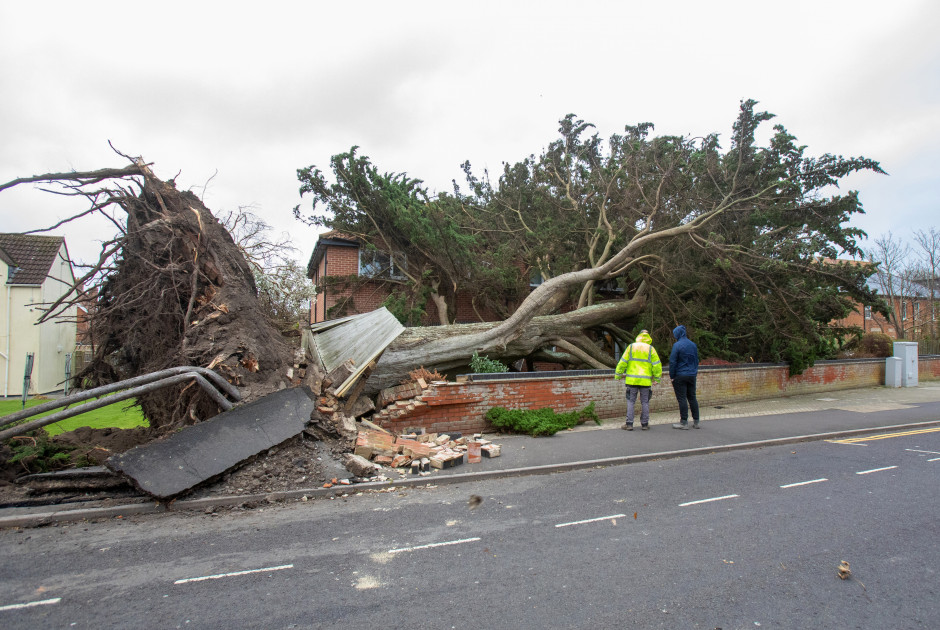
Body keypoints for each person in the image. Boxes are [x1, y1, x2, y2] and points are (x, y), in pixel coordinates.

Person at [614, 330, 662, 430]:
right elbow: (657, 365)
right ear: (648, 337)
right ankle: (644, 424)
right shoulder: (650, 349)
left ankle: (629, 424)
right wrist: (657, 378)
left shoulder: (631, 347)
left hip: (632, 381)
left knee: (631, 402)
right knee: (645, 402)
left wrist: (618, 375)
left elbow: (623, 361)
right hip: (645, 381)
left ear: (638, 335)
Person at [669, 325, 700, 429]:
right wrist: (694, 372)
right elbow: (696, 360)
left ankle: (684, 422)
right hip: (691, 375)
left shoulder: (677, 346)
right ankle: (696, 421)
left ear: (677, 334)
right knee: (692, 397)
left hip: (680, 375)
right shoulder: (693, 345)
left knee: (682, 398)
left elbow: (673, 361)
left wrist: (672, 375)